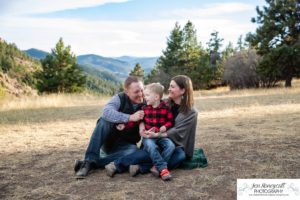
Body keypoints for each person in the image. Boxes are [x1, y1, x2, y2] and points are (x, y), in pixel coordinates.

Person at [104, 75, 198, 178]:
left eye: (172, 87)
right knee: (151, 150)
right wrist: (138, 127)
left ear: (183, 90)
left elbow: (177, 132)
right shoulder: (164, 103)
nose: (169, 89)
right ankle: (117, 164)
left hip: (174, 144)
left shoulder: (191, 112)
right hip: (154, 139)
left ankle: (142, 167)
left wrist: (157, 134)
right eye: (169, 86)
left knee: (179, 156)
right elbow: (143, 114)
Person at [74, 76, 145, 178]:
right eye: (136, 92)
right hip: (109, 142)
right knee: (104, 121)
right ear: (127, 92)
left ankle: (91, 163)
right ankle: (89, 159)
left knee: (134, 151)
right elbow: (106, 112)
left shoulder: (147, 102)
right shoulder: (119, 98)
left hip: (126, 146)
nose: (140, 94)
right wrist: (129, 117)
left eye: (142, 90)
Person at [105, 83, 175, 180]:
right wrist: (124, 125)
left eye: (147, 95)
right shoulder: (144, 108)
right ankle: (162, 169)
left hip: (161, 136)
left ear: (156, 97)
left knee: (171, 146)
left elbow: (170, 121)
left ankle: (153, 167)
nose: (144, 97)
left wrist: (165, 127)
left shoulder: (166, 108)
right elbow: (137, 121)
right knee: (151, 146)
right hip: (148, 136)